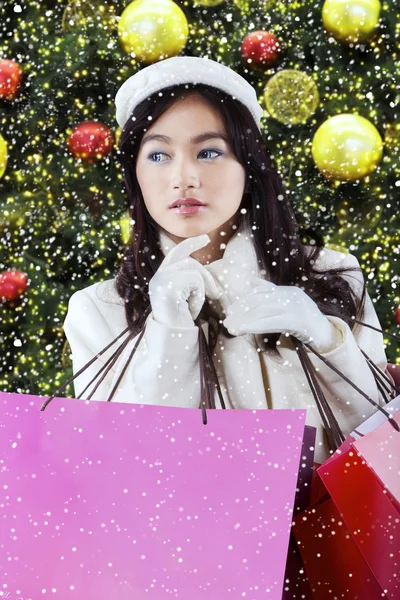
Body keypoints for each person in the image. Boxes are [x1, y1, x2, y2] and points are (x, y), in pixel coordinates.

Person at [63, 56, 389, 464]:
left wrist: (327, 342)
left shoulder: (332, 275)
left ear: (248, 166)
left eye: (209, 152)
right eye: (159, 156)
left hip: (331, 527)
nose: (184, 177)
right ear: (136, 174)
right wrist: (167, 335)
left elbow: (382, 453)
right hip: (184, 529)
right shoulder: (100, 310)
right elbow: (123, 470)